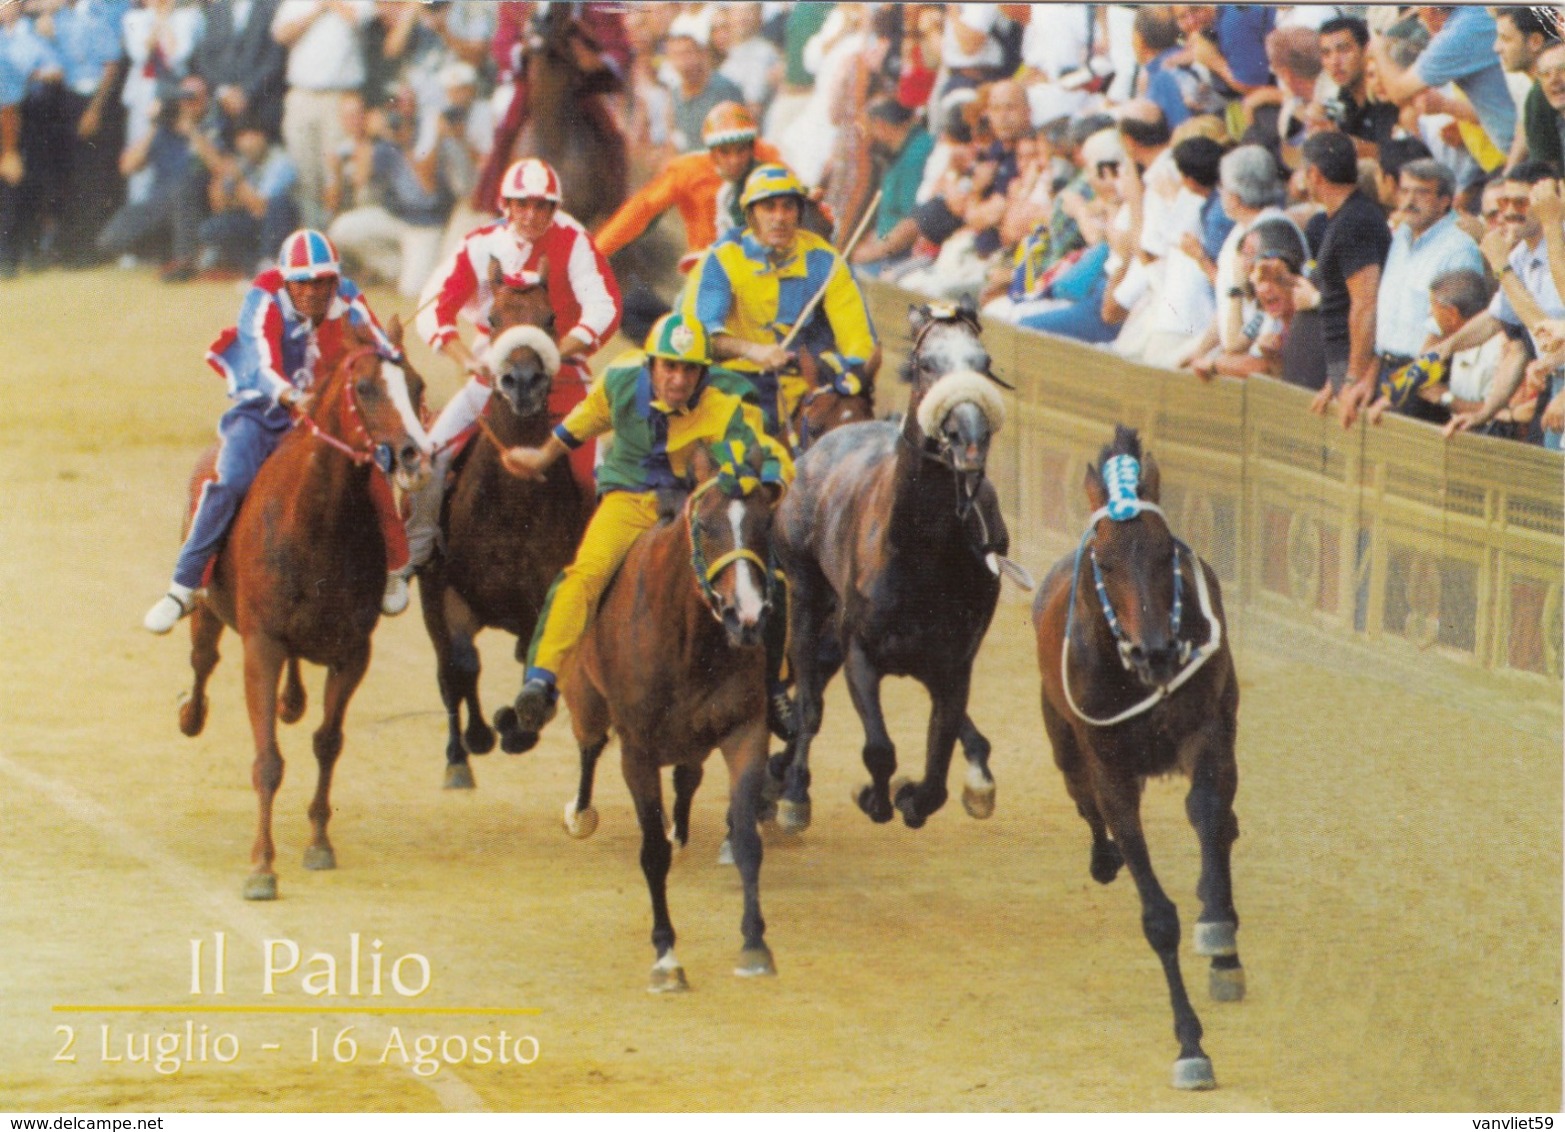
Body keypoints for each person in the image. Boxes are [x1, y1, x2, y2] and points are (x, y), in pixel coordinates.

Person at [502, 312, 793, 736]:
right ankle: (541, 684)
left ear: (702, 373)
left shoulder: (726, 403)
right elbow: (582, 421)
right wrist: (541, 457)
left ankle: (775, 687)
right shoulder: (619, 380)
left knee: (769, 577)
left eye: (689, 369)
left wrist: (759, 484)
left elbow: (764, 456)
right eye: (669, 367)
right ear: (651, 364)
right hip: (628, 502)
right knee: (584, 575)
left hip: (693, 508)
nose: (678, 379)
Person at [143, 229, 415, 634]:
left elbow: (377, 344)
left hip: (325, 415)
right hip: (264, 410)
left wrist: (392, 359)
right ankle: (184, 585)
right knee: (230, 480)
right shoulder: (263, 296)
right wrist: (289, 395)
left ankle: (393, 567)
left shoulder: (348, 295)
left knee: (372, 467)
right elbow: (260, 358)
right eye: (302, 283)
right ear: (286, 280)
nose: (313, 292)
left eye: (323, 281)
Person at [406, 157, 622, 575]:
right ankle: (417, 548)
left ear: (554, 208)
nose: (531, 215)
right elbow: (434, 306)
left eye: (542, 206)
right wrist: (466, 359)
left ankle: (597, 571)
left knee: (593, 476)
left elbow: (605, 307)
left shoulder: (575, 240)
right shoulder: (478, 243)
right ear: (506, 205)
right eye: (522, 205)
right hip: (493, 370)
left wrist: (557, 351)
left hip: (563, 371)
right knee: (431, 455)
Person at [685, 162, 877, 438]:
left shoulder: (826, 261)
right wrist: (753, 351)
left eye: (788, 207)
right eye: (769, 207)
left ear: (799, 212)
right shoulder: (722, 258)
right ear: (750, 214)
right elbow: (703, 336)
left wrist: (851, 373)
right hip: (730, 381)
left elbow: (858, 340)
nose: (780, 217)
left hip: (799, 388)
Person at [594, 101, 784, 264]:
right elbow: (643, 208)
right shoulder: (687, 171)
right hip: (707, 266)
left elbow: (800, 194)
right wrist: (596, 252)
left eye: (741, 151)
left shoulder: (768, 160)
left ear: (752, 147)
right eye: (725, 152)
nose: (734, 160)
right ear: (712, 151)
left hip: (760, 264)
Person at [1299, 130, 1391, 427]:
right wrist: (1336, 379)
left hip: (1360, 372)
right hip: (1346, 362)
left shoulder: (1354, 222)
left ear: (1314, 174)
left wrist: (1352, 377)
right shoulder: (1344, 219)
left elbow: (1365, 303)